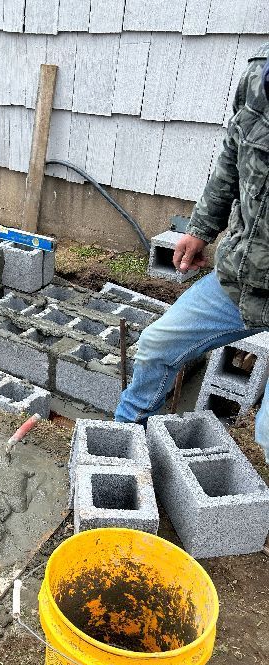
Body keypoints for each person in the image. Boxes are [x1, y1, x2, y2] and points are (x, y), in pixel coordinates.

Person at [116, 45, 269, 462]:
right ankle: (122, 446)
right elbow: (232, 159)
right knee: (156, 346)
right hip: (241, 279)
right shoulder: (259, 77)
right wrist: (201, 229)